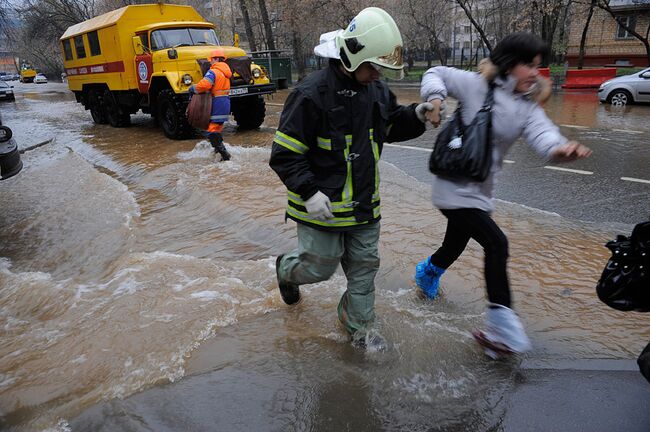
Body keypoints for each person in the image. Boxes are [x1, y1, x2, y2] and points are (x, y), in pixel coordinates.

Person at [415, 32, 592, 355]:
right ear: (510, 64)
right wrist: (436, 99)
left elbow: (544, 137)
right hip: (452, 188)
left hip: (481, 193)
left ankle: (427, 272)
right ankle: (501, 330)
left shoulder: (527, 107)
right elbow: (435, 73)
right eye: (529, 65)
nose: (536, 73)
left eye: (538, 66)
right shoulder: (474, 85)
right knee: (497, 243)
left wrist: (561, 149)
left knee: (455, 244)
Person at [269, 7, 432, 350]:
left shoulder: (375, 89)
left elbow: (390, 124)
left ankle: (359, 327)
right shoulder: (310, 95)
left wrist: (416, 114)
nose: (378, 74)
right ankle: (286, 269)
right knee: (319, 269)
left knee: (364, 270)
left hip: (363, 208)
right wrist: (309, 192)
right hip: (321, 209)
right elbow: (284, 154)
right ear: (353, 56)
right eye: (374, 67)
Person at [189, 48, 232, 161]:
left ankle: (224, 154)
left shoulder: (213, 71)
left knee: (210, 130)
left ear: (216, 59)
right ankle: (218, 152)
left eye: (211, 59)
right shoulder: (226, 72)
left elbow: (205, 85)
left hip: (217, 103)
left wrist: (193, 88)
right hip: (225, 102)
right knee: (217, 129)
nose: (210, 62)